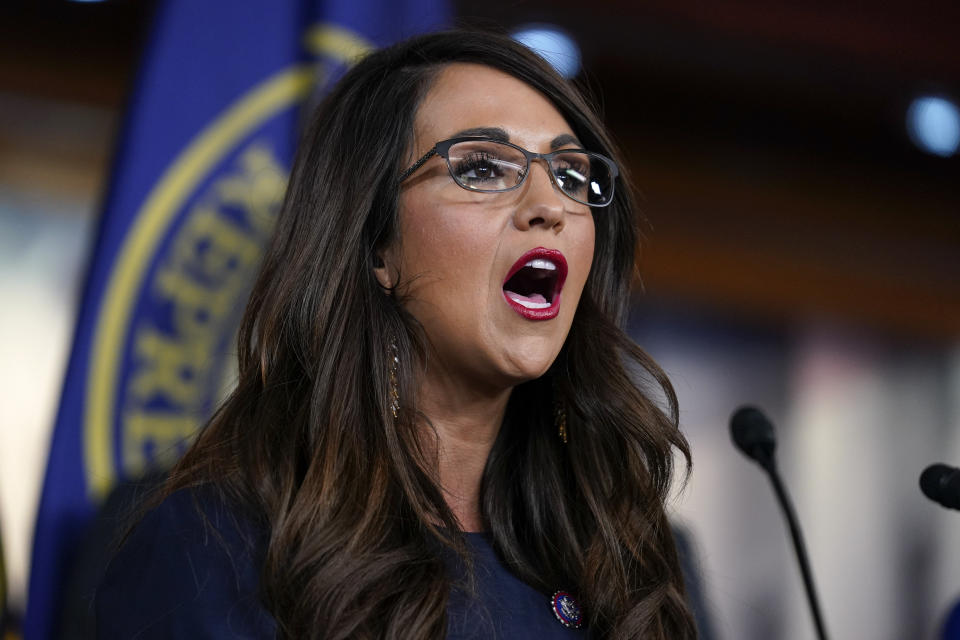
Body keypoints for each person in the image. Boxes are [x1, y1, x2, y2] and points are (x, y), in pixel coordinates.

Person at [95, 29, 697, 639]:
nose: (551, 205)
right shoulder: (219, 544)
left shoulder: (621, 556)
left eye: (571, 176)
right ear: (377, 244)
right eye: (484, 167)